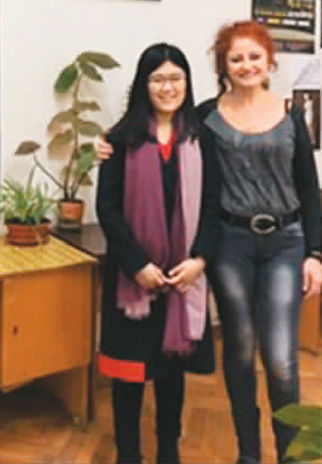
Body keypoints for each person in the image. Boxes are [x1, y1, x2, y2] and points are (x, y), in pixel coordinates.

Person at [99, 20, 322, 464]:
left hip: (259, 248)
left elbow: (297, 186)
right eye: (236, 58)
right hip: (201, 253)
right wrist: (103, 145)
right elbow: (115, 197)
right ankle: (244, 453)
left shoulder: (266, 119)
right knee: (233, 350)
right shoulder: (194, 122)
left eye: (254, 56)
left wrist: (314, 252)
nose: (246, 65)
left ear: (269, 60)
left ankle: (288, 455)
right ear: (223, 66)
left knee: (277, 359)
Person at [96, 43, 221, 464]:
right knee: (129, 375)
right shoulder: (120, 139)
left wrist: (199, 260)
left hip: (181, 278)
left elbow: (213, 205)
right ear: (143, 85)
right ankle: (128, 454)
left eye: (176, 78)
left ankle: (169, 451)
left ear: (187, 82)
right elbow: (107, 208)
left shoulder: (202, 139)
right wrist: (137, 265)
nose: (168, 88)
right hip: (134, 279)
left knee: (170, 374)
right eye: (158, 79)